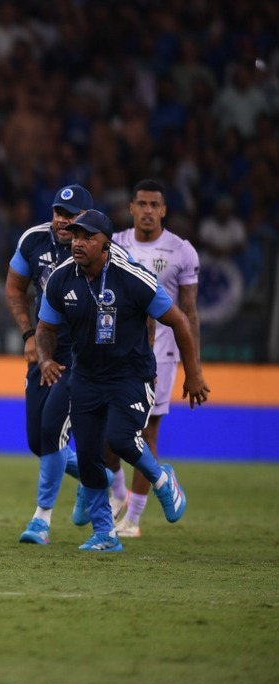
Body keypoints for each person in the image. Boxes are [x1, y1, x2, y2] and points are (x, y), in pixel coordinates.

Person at [36, 209, 209, 552]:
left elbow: (179, 321)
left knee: (119, 439)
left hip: (131, 374)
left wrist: (193, 374)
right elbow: (45, 328)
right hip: (85, 375)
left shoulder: (133, 277)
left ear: (106, 245)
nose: (78, 243)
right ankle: (106, 534)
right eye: (75, 236)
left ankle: (162, 479)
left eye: (88, 237)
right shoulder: (60, 278)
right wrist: (45, 359)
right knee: (87, 455)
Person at [108, 179, 200, 537]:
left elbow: (189, 313)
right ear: (131, 208)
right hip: (117, 350)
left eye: (154, 205)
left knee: (146, 430)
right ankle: (117, 495)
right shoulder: (114, 243)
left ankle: (133, 519)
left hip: (161, 353)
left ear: (164, 210)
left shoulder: (181, 251)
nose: (147, 211)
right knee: (106, 429)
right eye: (141, 204)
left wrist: (195, 369)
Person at [5, 184, 93, 545]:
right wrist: (28, 336)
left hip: (81, 355)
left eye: (69, 216)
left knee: (54, 428)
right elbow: (14, 289)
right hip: (44, 347)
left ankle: (41, 520)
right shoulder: (33, 241)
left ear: (85, 220)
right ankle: (93, 475)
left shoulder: (99, 249)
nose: (61, 220)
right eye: (58, 211)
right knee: (38, 441)